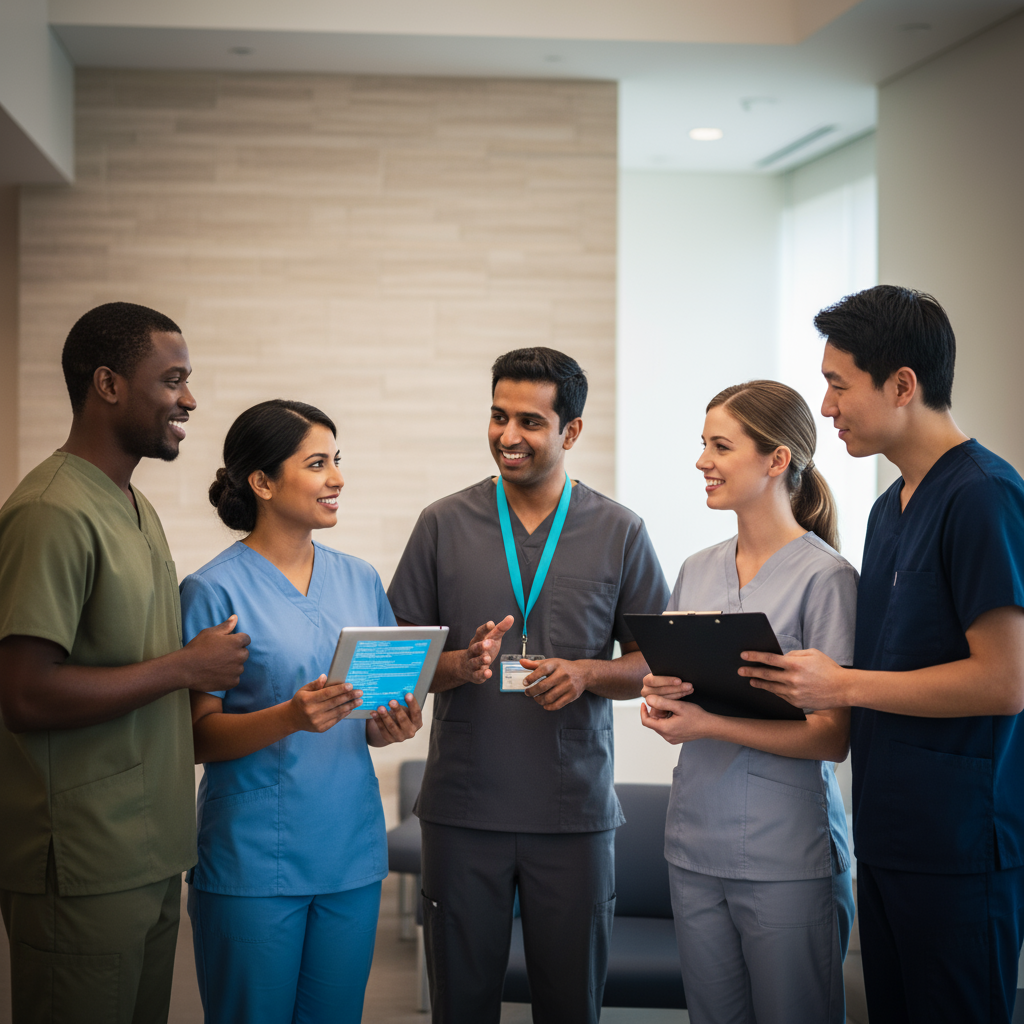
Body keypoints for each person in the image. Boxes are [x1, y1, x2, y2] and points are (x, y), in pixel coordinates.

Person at [740, 285, 1024, 1024]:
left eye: (838, 385)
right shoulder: (887, 507)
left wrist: (844, 686)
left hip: (963, 848)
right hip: (893, 837)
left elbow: (1004, 681)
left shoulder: (985, 497)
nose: (825, 408)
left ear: (903, 385)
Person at [387, 346, 670, 1024]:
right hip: (463, 813)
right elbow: (398, 658)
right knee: (462, 1004)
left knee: (571, 1006)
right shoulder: (442, 524)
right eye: (497, 416)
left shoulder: (619, 530)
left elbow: (654, 662)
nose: (508, 436)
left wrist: (588, 673)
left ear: (570, 431)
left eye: (530, 422)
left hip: (571, 817)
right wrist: (462, 663)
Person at [0, 302, 250, 1024]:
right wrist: (185, 668)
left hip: (147, 849)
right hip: (79, 859)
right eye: (172, 380)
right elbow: (23, 695)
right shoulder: (51, 512)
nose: (190, 400)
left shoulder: (133, 507)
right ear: (108, 384)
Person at [179, 399, 423, 1024]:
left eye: (336, 461)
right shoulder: (214, 590)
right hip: (255, 862)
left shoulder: (360, 579)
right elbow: (195, 738)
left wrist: (391, 724)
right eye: (317, 464)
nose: (336, 478)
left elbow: (369, 713)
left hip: (350, 851)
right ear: (262, 482)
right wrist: (289, 717)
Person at [640, 380, 857, 1024]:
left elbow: (832, 737)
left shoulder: (827, 578)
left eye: (720, 446)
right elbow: (677, 689)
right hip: (694, 848)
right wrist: (662, 694)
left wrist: (710, 722)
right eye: (702, 445)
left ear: (776, 459)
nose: (702, 461)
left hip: (786, 856)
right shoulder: (695, 568)